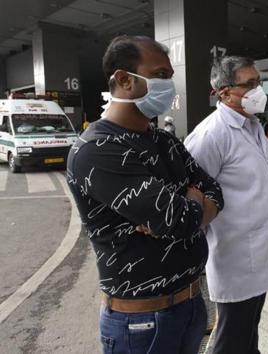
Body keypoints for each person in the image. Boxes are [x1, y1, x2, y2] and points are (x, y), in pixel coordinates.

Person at [65, 35, 224, 354]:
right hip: (141, 324)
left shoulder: (166, 142)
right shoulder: (97, 150)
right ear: (124, 80)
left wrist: (187, 210)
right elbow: (178, 220)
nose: (170, 86)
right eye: (161, 75)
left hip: (191, 306)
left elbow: (215, 193)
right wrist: (190, 203)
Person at [184, 56, 268, 354]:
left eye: (259, 82)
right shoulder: (210, 136)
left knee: (247, 332)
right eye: (250, 84)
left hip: (260, 256)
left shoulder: (253, 125)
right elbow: (191, 200)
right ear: (224, 92)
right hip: (236, 261)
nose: (259, 91)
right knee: (230, 340)